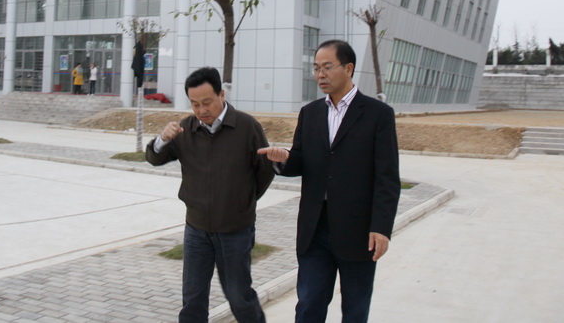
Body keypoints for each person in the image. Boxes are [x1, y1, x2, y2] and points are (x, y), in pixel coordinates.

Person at [258, 39, 400, 322]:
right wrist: (283, 158)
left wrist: (381, 227)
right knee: (308, 305)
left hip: (358, 231)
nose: (320, 74)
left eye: (327, 67)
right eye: (316, 68)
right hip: (315, 229)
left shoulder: (378, 114)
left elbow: (387, 177)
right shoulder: (310, 113)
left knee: (355, 310)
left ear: (348, 68)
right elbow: (301, 160)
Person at [146, 67, 274, 323]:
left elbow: (265, 171)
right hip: (197, 230)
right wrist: (162, 139)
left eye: (207, 102)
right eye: (195, 104)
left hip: (235, 230)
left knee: (239, 297)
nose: (201, 110)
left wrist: (242, 202)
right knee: (192, 299)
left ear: (221, 95)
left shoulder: (247, 127)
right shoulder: (185, 129)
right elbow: (154, 158)